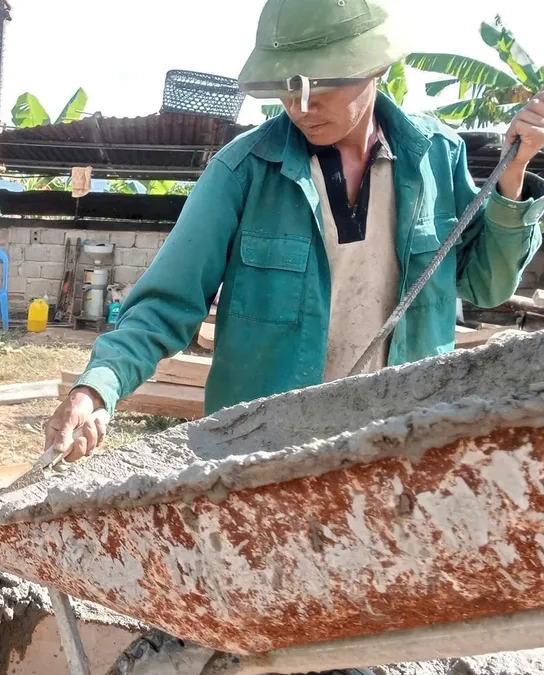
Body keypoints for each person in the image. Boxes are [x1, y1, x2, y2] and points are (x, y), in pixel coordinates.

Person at [46, 0, 544, 463]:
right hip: (264, 456)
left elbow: (486, 286)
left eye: (317, 84)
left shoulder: (438, 156)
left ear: (376, 67)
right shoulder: (241, 172)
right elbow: (165, 305)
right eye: (285, 86)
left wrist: (513, 172)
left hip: (407, 445)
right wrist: (97, 388)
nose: (300, 106)